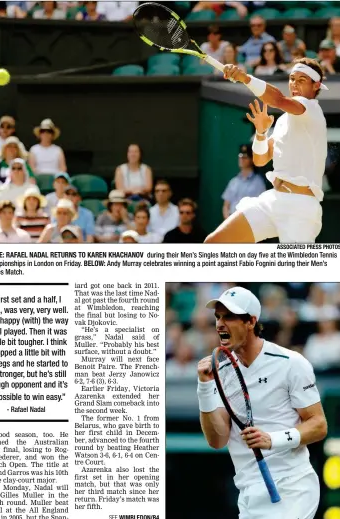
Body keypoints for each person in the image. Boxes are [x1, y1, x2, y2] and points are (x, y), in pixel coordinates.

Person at [198, 286, 327, 519]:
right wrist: (204, 387)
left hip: (293, 487)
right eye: (217, 317)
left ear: (251, 322)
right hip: (249, 492)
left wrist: (272, 440)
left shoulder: (291, 363)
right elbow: (217, 440)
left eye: (229, 317)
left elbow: (318, 425)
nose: (220, 324)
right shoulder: (220, 371)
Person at [205, 57, 328, 244]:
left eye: (301, 80)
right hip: (273, 200)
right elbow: (261, 160)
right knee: (214, 244)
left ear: (316, 86)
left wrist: (245, 78)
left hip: (300, 209)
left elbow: (277, 99)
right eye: (292, 79)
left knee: (297, 274)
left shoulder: (312, 109)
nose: (294, 84)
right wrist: (261, 133)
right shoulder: (283, 121)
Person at [222, 144, 266, 220]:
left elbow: (261, 208)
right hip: (231, 223)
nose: (242, 159)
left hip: (248, 223)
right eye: (240, 156)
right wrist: (228, 220)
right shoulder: (233, 181)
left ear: (252, 159)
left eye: (245, 157)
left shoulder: (258, 182)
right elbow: (226, 205)